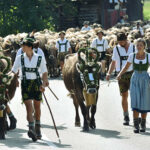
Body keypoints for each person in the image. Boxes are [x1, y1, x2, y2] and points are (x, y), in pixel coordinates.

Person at [12, 37, 49, 141]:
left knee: (37, 107)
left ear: (30, 47)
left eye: (24, 45)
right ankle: (31, 128)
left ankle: (38, 127)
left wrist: (44, 83)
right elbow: (14, 71)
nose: (22, 47)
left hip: (37, 84)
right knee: (28, 106)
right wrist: (9, 77)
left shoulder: (39, 58)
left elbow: (44, 72)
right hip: (25, 84)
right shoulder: (20, 58)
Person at [117, 38, 150, 133]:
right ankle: (136, 125)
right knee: (135, 100)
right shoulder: (132, 56)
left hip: (145, 79)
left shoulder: (148, 56)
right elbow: (126, 67)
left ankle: (143, 124)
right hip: (135, 78)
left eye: (141, 45)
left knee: (145, 101)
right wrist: (120, 74)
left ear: (144, 46)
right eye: (137, 45)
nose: (139, 47)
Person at [106, 32, 135, 125]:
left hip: (133, 74)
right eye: (119, 42)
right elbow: (114, 62)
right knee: (124, 95)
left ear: (125, 40)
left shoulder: (134, 47)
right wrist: (109, 73)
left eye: (121, 42)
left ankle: (136, 116)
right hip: (121, 76)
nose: (120, 44)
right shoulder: (116, 48)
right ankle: (126, 116)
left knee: (135, 95)